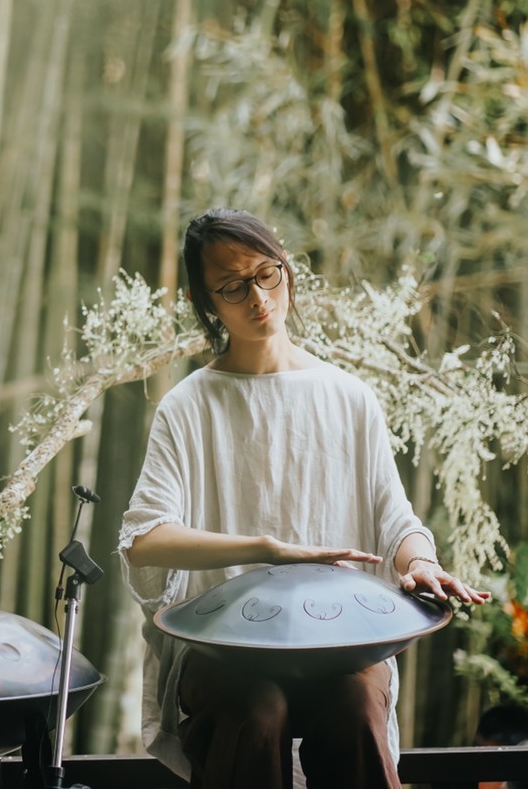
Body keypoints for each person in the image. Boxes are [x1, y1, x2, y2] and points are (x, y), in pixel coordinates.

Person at [119, 207, 491, 789]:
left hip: (335, 642)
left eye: (267, 274)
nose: (258, 297)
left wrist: (422, 563)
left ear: (287, 272)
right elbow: (145, 540)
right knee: (257, 709)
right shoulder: (189, 407)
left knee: (355, 704)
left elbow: (396, 520)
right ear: (204, 300)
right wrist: (266, 549)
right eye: (232, 286)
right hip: (223, 647)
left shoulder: (348, 397)